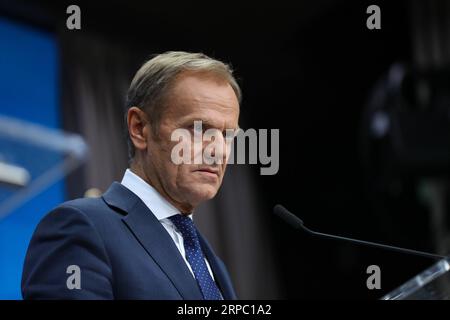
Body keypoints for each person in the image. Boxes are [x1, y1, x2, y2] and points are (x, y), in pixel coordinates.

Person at [21, 51, 241, 299]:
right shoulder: (82, 227)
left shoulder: (212, 263)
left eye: (228, 136)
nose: (219, 151)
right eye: (198, 128)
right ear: (139, 129)